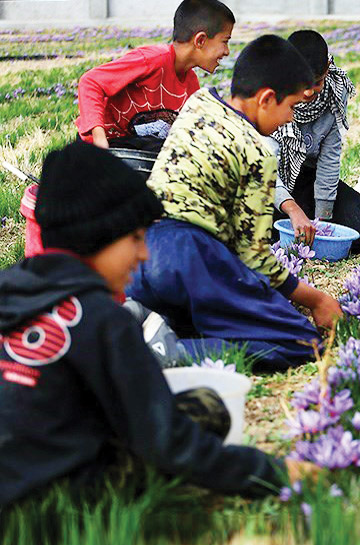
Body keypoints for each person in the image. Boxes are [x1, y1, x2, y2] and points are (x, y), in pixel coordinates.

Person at [0, 141, 311, 508]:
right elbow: (171, 442)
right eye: (136, 238)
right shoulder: (103, 320)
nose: (145, 253)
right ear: (98, 236)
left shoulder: (9, 291)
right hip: (45, 508)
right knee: (203, 409)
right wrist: (279, 473)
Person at [127, 35, 342, 371]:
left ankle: (146, 314)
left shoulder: (198, 103)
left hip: (138, 257)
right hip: (191, 256)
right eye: (291, 107)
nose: (290, 119)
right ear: (267, 99)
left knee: (206, 313)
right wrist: (314, 299)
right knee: (300, 341)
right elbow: (253, 257)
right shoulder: (258, 152)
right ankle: (173, 353)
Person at [269, 29, 360, 253]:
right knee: (264, 234)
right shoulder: (271, 93)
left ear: (327, 70)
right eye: (302, 84)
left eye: (316, 82)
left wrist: (323, 220)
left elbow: (329, 159)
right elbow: (265, 167)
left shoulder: (332, 93)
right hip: (270, 183)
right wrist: (292, 208)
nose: (308, 92)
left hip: (308, 180)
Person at [75, 0, 235, 151]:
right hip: (102, 146)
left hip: (139, 148)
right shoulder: (152, 60)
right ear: (200, 40)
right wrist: (99, 139)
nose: (227, 51)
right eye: (225, 41)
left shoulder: (192, 84)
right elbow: (90, 82)